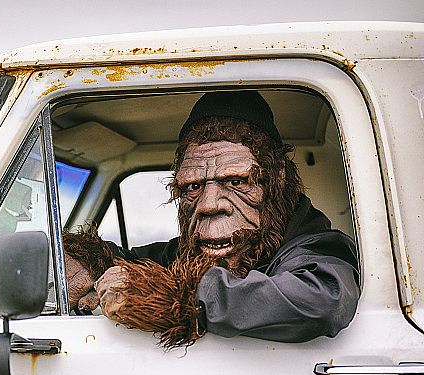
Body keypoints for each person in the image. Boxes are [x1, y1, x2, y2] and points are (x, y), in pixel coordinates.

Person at [62, 91, 360, 348]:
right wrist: (85, 261)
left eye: (236, 181)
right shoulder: (189, 252)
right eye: (192, 186)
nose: (207, 205)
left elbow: (322, 299)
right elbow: (128, 262)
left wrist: (171, 296)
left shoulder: (316, 247)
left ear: (278, 180)